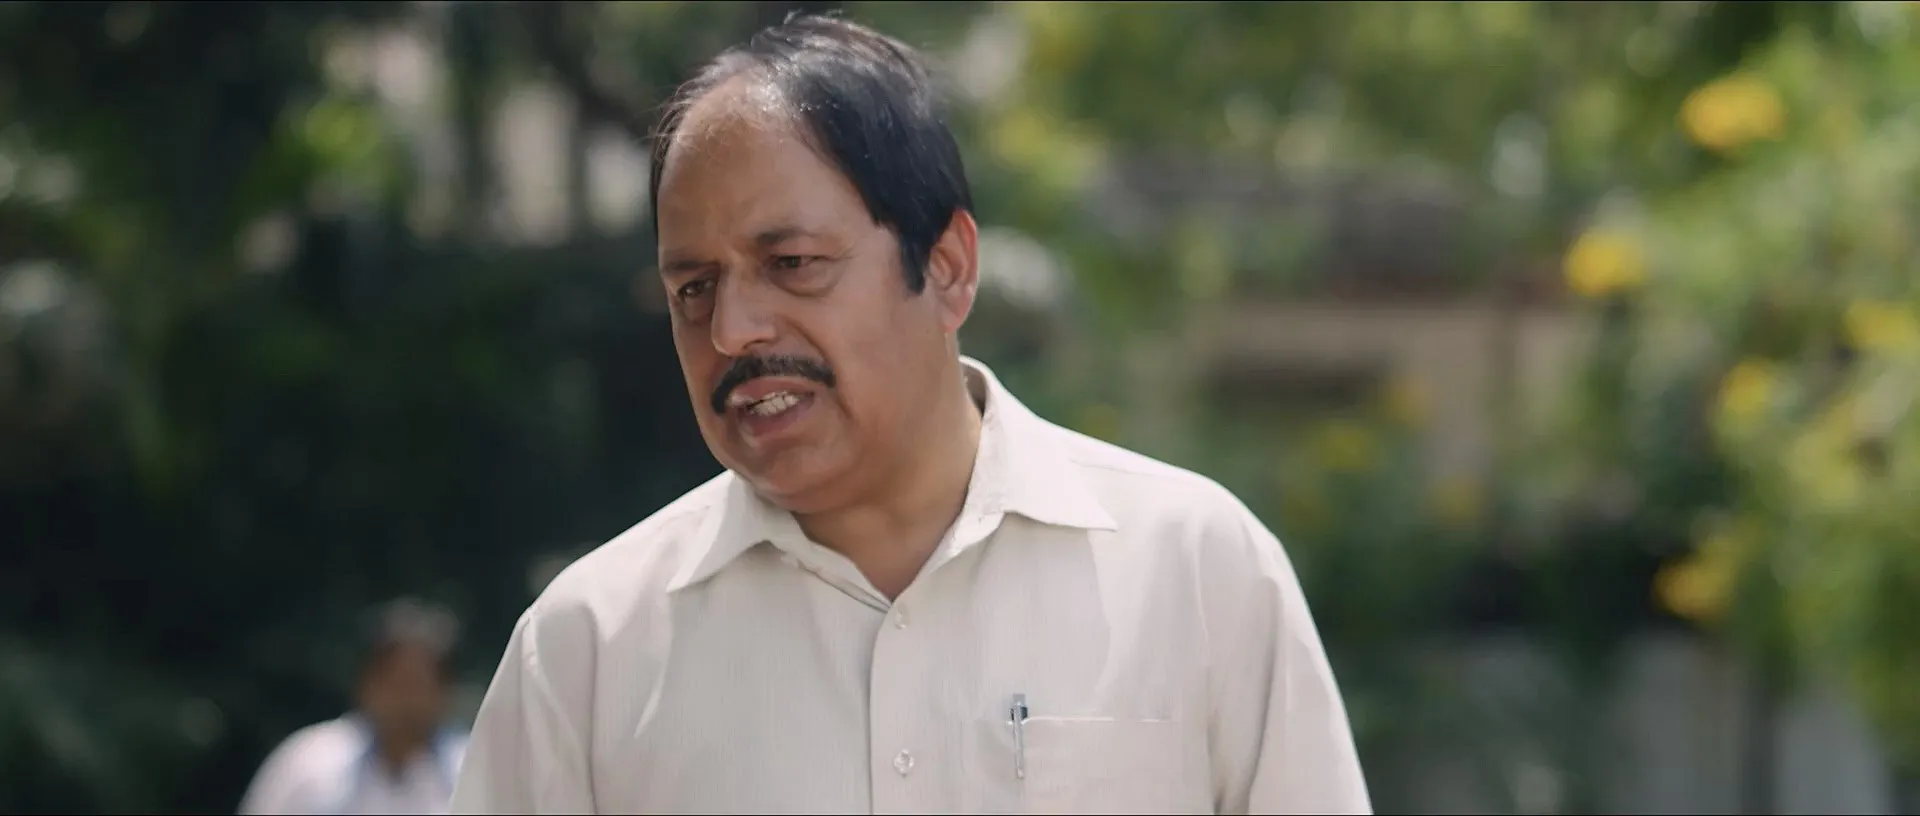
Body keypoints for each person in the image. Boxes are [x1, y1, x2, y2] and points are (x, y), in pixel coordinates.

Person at [453, 13, 1370, 815]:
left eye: (793, 265)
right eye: (694, 288)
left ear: (948, 268)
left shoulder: (1194, 572)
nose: (733, 330)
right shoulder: (588, 653)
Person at [240, 599, 468, 815]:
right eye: (395, 683)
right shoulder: (306, 765)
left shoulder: (470, 768)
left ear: (446, 690)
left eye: (418, 685)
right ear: (366, 682)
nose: (405, 699)